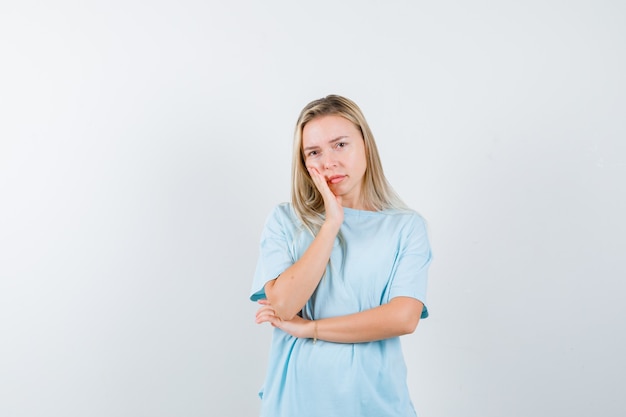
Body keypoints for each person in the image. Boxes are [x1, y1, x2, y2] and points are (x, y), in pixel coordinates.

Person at [250, 95, 432, 417]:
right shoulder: (284, 221)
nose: (328, 162)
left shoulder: (406, 228)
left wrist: (311, 329)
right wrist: (332, 222)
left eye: (340, 145)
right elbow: (283, 305)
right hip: (296, 403)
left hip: (375, 403)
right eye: (314, 152)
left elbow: (404, 317)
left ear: (365, 144)